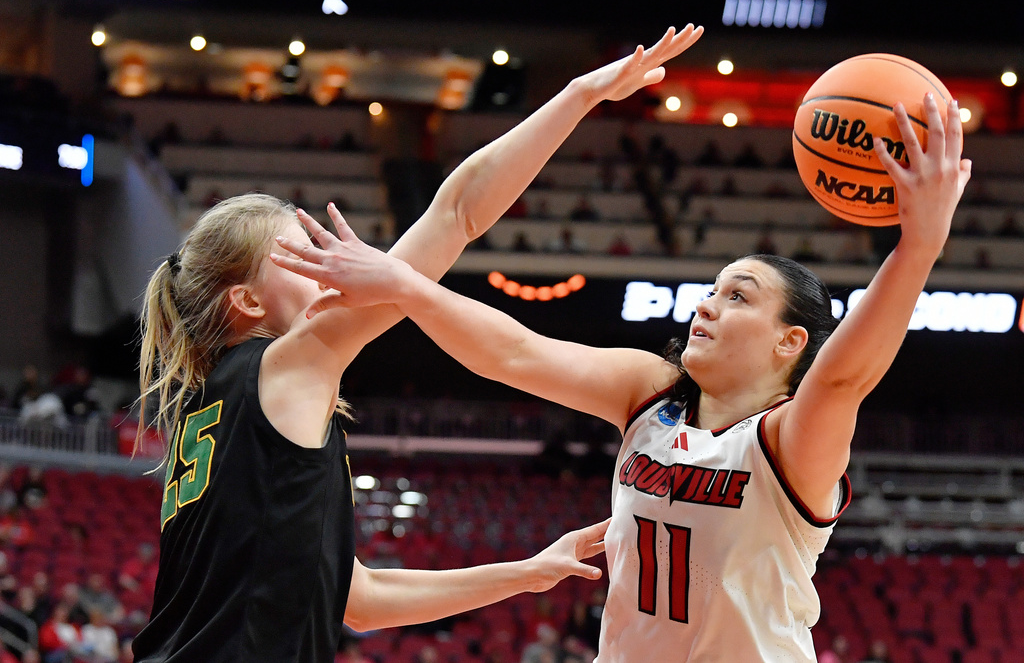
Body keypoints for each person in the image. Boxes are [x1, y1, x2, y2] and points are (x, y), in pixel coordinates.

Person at [273, 93, 970, 662]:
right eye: (712, 288)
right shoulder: (649, 391)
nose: (706, 303)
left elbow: (845, 376)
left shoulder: (790, 441)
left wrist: (920, 245)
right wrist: (403, 282)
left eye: (738, 295)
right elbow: (513, 353)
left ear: (791, 341)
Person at [130, 24, 704, 663]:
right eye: (303, 252)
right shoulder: (285, 366)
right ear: (249, 301)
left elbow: (361, 598)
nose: (330, 258)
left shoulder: (217, 410)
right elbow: (456, 214)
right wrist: (576, 96)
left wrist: (530, 570)